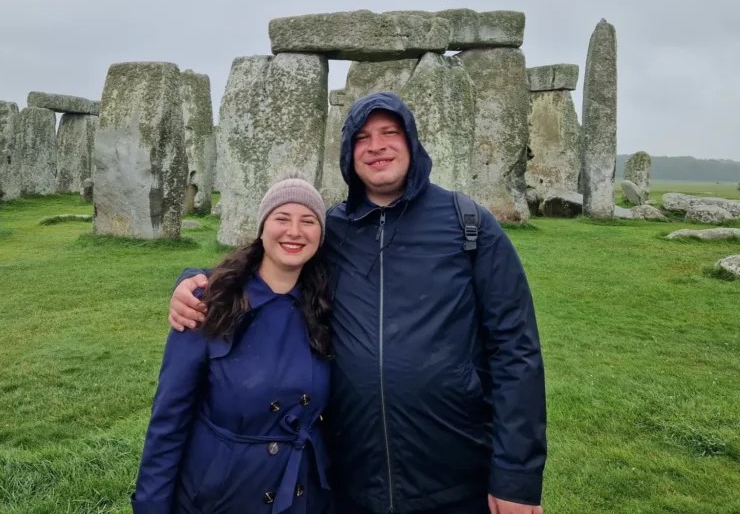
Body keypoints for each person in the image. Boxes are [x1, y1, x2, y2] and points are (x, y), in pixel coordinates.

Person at [170, 92, 547, 514]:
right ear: (349, 153)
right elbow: (268, 268)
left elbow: (516, 350)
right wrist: (194, 283)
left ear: (413, 142)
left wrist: (516, 476)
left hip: (455, 473)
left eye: (390, 133)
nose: (377, 146)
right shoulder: (331, 230)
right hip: (351, 478)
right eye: (362, 137)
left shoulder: (469, 225)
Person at [133, 175, 334, 514]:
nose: (295, 232)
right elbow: (169, 420)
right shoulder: (210, 303)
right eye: (282, 218)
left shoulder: (326, 306)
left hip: (302, 493)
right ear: (262, 227)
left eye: (308, 221)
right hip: (222, 495)